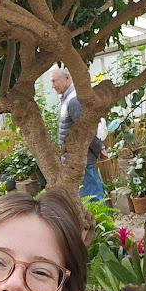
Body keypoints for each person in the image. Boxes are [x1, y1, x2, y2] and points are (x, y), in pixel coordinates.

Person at [49, 64, 105, 200]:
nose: (52, 85)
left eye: (54, 80)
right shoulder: (66, 98)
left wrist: (100, 148)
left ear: (67, 78)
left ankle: (99, 222)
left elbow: (86, 131)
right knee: (85, 198)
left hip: (82, 161)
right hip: (74, 161)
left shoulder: (74, 100)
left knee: (93, 198)